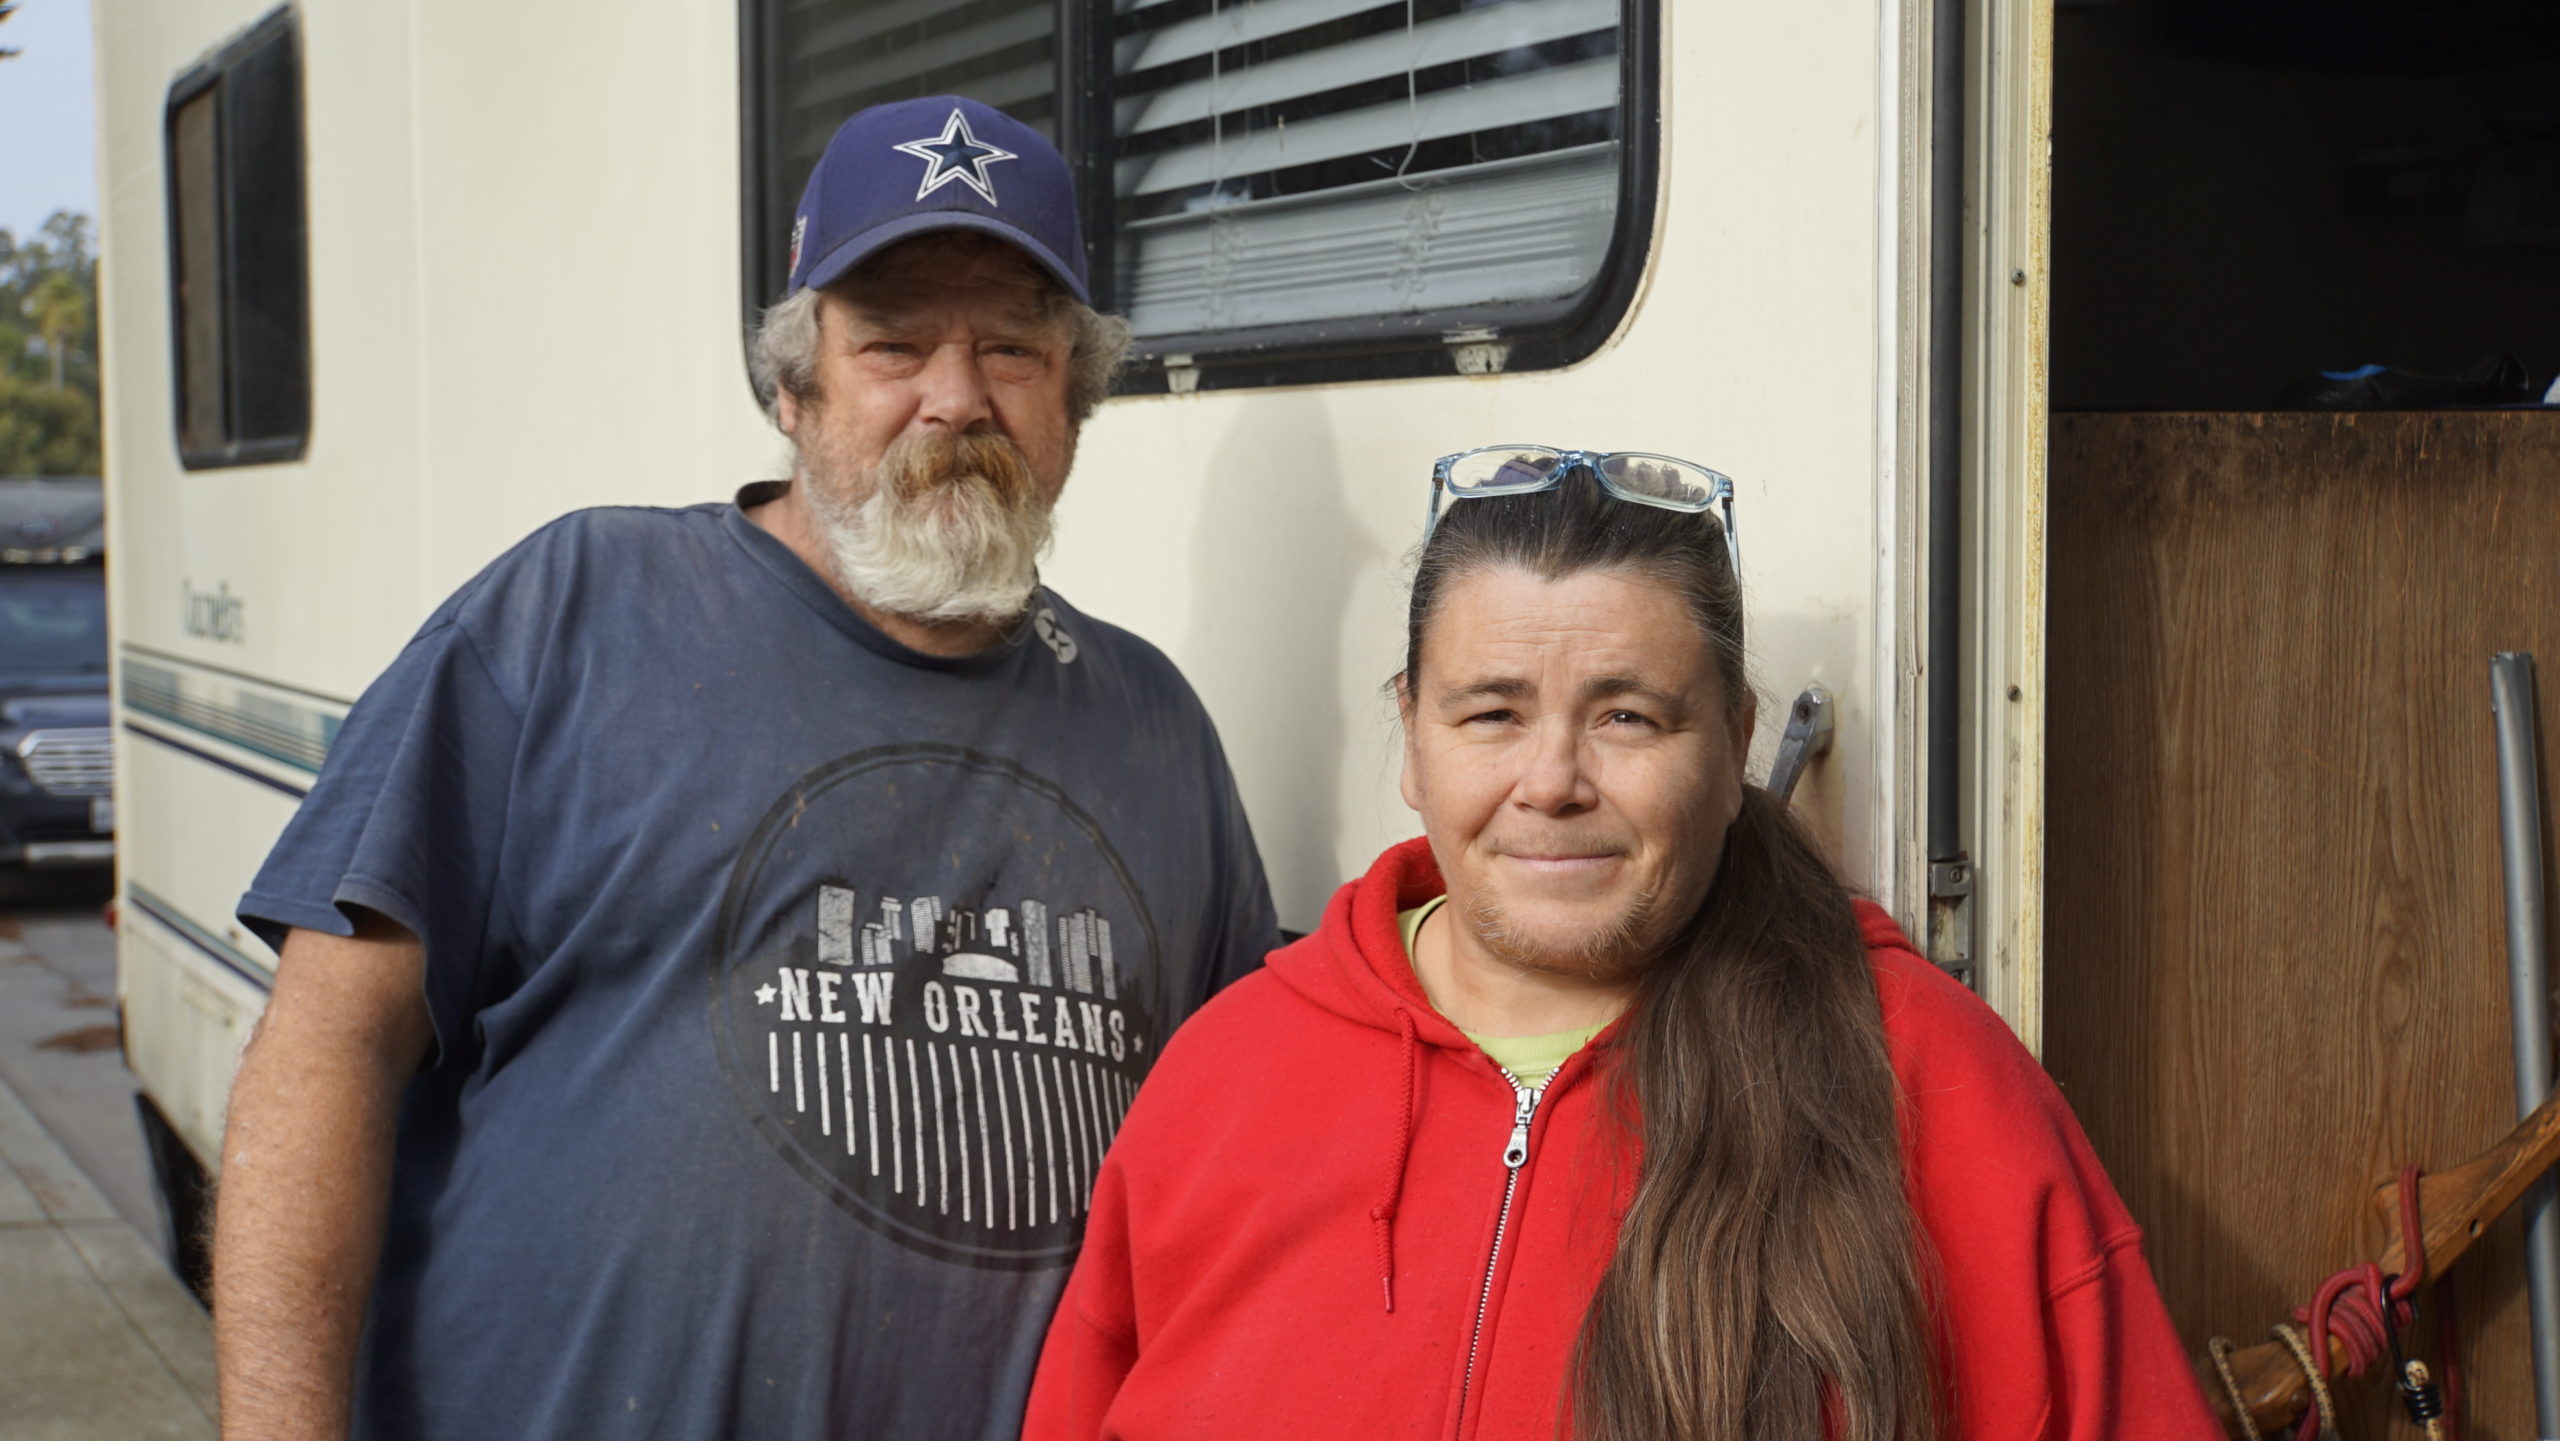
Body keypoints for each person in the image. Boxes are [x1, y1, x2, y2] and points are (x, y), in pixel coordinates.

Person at [211, 96, 1276, 1441]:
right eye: (892, 344)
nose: (958, 397)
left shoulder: (1155, 726)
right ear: (793, 386)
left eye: (1011, 345)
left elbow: (1245, 1150)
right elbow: (325, 1044)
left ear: (1074, 397)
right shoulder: (575, 611)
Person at [1024, 448, 2219, 1440]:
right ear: (1410, 732)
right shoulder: (1227, 1076)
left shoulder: (1929, 1081)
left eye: (1626, 716)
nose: (1551, 782)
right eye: (1491, 711)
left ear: (1734, 740)